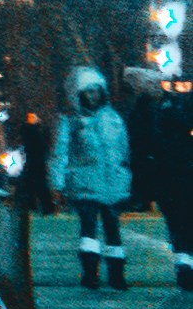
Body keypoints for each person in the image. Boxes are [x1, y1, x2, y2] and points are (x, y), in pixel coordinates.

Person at [48, 68, 141, 293]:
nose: (92, 96)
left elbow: (124, 150)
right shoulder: (71, 122)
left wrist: (127, 178)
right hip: (85, 184)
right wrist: (57, 184)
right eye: (87, 92)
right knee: (88, 231)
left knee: (113, 231)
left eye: (95, 91)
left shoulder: (113, 118)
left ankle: (117, 276)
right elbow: (60, 154)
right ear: (79, 95)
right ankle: (91, 274)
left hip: (112, 184)